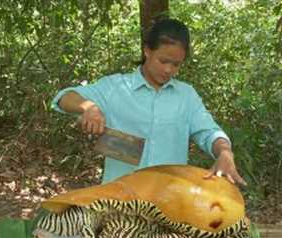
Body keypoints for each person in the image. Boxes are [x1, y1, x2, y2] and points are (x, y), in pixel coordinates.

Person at [51, 18, 247, 186]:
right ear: (147, 51)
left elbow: (210, 132)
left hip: (169, 201)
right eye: (163, 61)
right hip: (119, 198)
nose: (169, 70)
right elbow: (63, 97)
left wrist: (225, 152)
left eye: (176, 64)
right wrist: (89, 108)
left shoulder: (186, 96)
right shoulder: (116, 87)